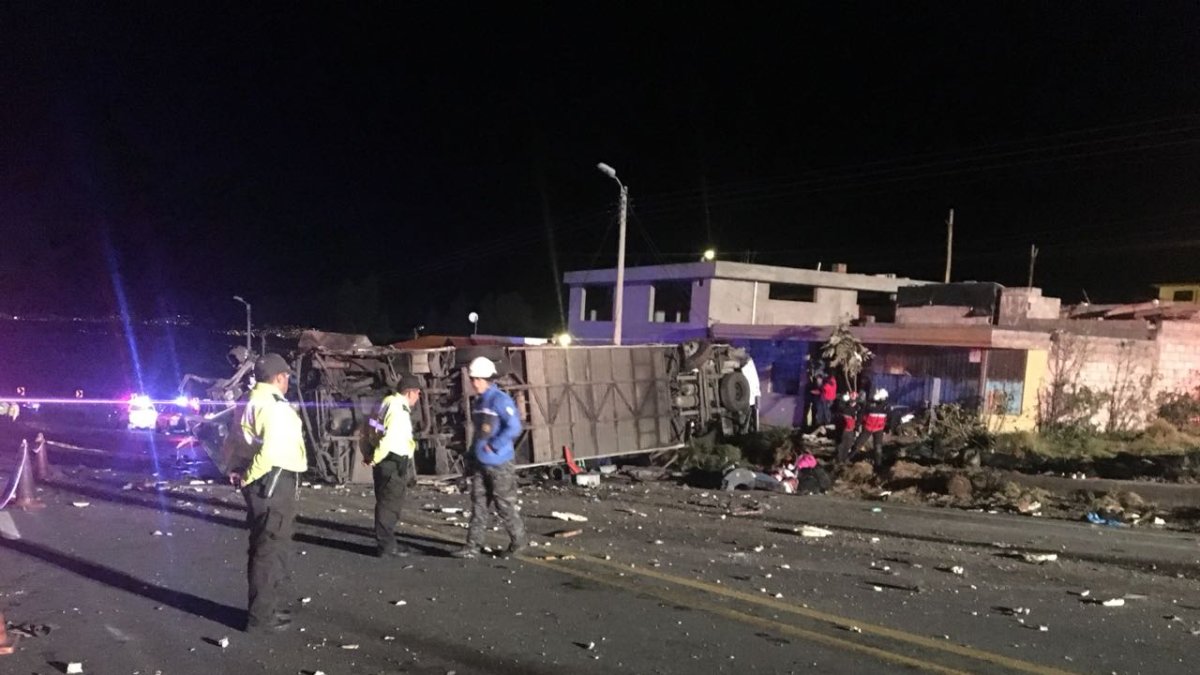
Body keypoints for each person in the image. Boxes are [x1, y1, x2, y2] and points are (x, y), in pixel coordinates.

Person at [228, 353, 307, 634]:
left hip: (261, 483)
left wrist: (237, 470)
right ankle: (261, 617)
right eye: (287, 377)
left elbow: (234, 439)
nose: (288, 381)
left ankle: (268, 607)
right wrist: (250, 476)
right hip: (272, 482)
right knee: (269, 548)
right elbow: (270, 451)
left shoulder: (247, 400)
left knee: (269, 544)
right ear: (280, 377)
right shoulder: (272, 406)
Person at [452, 356, 527, 559]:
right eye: (473, 379)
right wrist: (471, 456)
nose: (474, 383)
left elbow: (514, 427)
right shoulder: (479, 403)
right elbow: (479, 433)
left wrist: (495, 446)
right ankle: (472, 545)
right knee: (478, 504)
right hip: (480, 462)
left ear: (487, 379)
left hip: (500, 463)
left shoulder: (500, 400)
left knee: (504, 505)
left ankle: (518, 542)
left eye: (477, 379)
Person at [370, 374, 422, 557]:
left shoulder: (387, 402)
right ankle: (386, 546)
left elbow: (372, 425)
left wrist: (372, 453)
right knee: (390, 505)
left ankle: (387, 543)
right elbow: (390, 438)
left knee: (385, 502)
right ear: (410, 393)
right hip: (392, 461)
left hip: (386, 461)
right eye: (417, 393)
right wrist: (376, 457)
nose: (418, 397)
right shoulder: (398, 409)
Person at [855, 388, 891, 468]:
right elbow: (861, 414)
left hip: (879, 429)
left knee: (878, 448)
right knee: (858, 444)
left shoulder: (886, 406)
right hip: (868, 427)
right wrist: (858, 424)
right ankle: (849, 458)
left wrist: (888, 427)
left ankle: (878, 465)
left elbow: (889, 417)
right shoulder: (869, 404)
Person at [834, 391, 862, 463]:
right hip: (843, 429)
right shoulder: (844, 407)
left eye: (854, 401)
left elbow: (858, 419)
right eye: (851, 401)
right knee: (842, 444)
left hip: (851, 429)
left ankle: (845, 458)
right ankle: (839, 459)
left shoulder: (858, 409)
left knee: (848, 444)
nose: (852, 402)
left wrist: (856, 428)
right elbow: (838, 410)